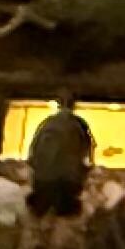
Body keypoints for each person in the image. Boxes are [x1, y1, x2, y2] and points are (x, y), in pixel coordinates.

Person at [25, 95, 95, 234]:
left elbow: (33, 154)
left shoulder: (46, 124)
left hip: (43, 183)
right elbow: (87, 155)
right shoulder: (78, 126)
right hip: (67, 185)